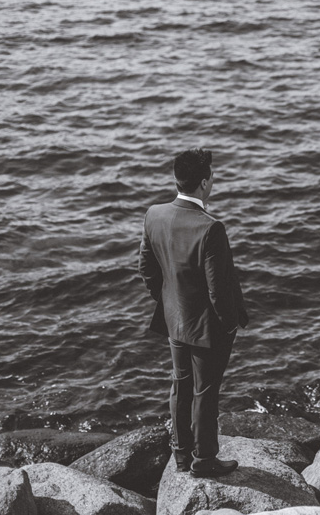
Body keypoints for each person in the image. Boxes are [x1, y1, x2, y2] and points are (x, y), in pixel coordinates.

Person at [138, 147, 248, 478]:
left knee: (180, 385)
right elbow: (218, 290)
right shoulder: (210, 228)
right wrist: (229, 325)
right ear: (203, 182)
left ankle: (181, 455)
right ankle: (205, 461)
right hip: (206, 327)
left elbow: (146, 268)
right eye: (212, 176)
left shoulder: (154, 214)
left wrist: (167, 298)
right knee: (205, 393)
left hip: (175, 320)